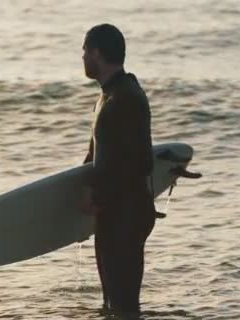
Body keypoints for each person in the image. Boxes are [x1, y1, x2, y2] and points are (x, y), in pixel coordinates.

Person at [80, 23, 156, 316]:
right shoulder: (109, 96)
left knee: (124, 304)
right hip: (116, 212)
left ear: (97, 53)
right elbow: (97, 154)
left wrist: (96, 197)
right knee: (113, 301)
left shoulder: (125, 99)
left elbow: (133, 162)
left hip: (125, 213)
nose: (83, 58)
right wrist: (86, 188)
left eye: (85, 52)